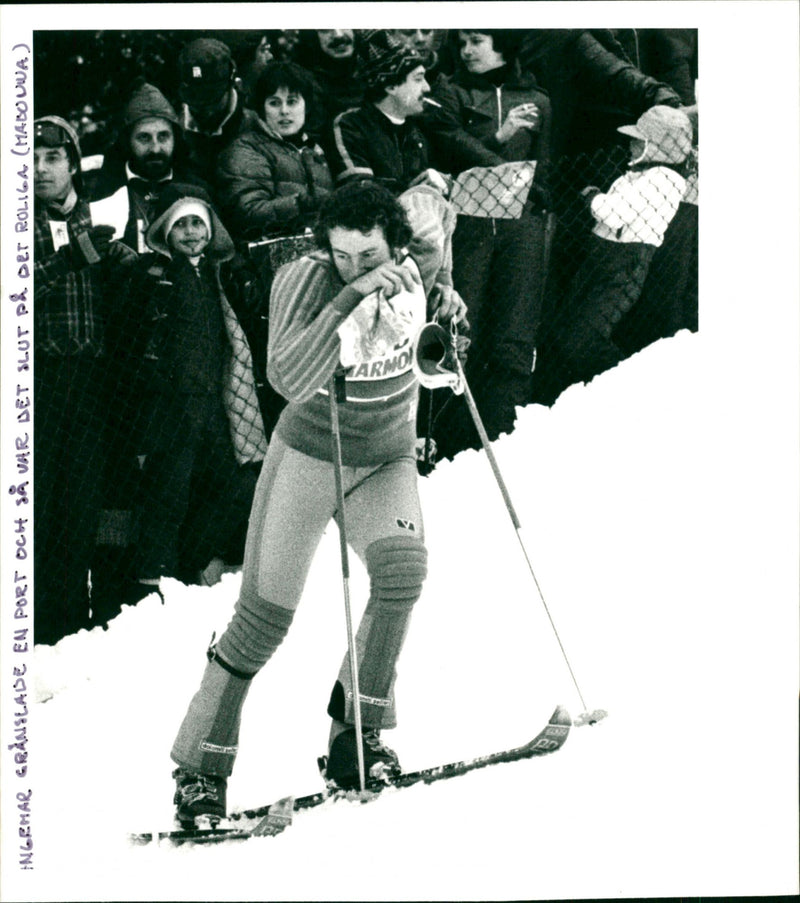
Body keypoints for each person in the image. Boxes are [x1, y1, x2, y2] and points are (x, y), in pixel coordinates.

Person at [169, 180, 466, 826]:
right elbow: (287, 377)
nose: (354, 266)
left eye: (368, 256)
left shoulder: (414, 270)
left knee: (401, 573)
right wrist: (348, 298)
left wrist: (444, 320)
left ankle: (355, 738)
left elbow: (430, 342)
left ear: (395, 244)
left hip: (384, 455)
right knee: (264, 617)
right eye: (341, 254)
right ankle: (199, 767)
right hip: (310, 454)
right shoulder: (304, 280)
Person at [108, 185, 267, 599]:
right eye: (181, 224)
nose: (192, 232)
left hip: (215, 404)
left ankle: (194, 563)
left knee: (229, 486)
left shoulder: (218, 275)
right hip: (171, 408)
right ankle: (149, 578)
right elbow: (133, 347)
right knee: (168, 494)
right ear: (164, 231)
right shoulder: (152, 277)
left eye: (198, 222)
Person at [422, 29, 553, 457]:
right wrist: (500, 135)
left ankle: (506, 432)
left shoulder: (538, 98)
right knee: (463, 326)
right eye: (461, 43)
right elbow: (448, 154)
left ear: (503, 42)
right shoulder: (454, 93)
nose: (466, 50)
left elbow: (544, 164)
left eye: (476, 41)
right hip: (470, 226)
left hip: (521, 227)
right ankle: (447, 434)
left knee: (514, 329)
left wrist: (538, 211)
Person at [32, 116, 135, 644]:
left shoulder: (97, 215)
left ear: (73, 163)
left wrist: (127, 266)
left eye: (52, 159)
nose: (40, 169)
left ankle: (77, 621)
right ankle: (42, 624)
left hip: (94, 382)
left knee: (83, 499)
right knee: (41, 504)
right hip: (39, 384)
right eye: (31, 159)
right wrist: (68, 260)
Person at [530, 105, 693, 405]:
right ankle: (584, 396)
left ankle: (628, 392)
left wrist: (593, 196)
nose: (631, 146)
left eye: (639, 141)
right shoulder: (637, 175)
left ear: (658, 147)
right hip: (600, 257)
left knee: (582, 338)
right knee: (566, 330)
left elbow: (613, 213)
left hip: (623, 265)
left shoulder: (664, 180)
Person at [216, 61, 334, 243]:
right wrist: (299, 204)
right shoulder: (245, 150)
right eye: (274, 103)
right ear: (262, 108)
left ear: (306, 105)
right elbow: (247, 213)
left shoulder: (315, 150)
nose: (284, 111)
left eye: (292, 102)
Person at [87, 79, 205, 254]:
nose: (155, 148)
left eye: (163, 136)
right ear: (128, 142)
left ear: (175, 139)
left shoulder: (197, 192)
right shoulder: (100, 193)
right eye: (144, 138)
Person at [327, 29, 449, 196]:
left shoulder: (415, 132)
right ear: (391, 86)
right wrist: (415, 190)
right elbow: (360, 192)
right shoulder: (350, 126)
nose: (427, 88)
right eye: (418, 79)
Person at [176, 38, 262, 189]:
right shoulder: (174, 130)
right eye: (197, 104)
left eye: (213, 101)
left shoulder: (257, 127)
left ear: (230, 85)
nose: (207, 111)